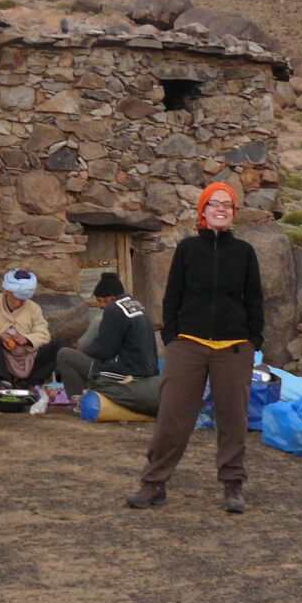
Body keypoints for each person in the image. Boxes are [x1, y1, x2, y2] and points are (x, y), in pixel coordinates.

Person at [127, 182, 264, 514]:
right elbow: (172, 296)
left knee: (232, 418)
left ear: (233, 213)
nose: (221, 209)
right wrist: (173, 336)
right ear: (202, 211)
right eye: (214, 204)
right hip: (188, 343)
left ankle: (233, 484)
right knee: (173, 415)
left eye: (227, 205)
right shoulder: (188, 249)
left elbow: (254, 300)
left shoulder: (244, 252)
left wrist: (253, 341)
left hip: (233, 347)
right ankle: (154, 484)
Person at [55, 272, 160, 406]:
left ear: (110, 298)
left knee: (65, 355)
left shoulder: (114, 309)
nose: (101, 306)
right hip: (147, 369)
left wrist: (82, 354)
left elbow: (105, 350)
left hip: (128, 370)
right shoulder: (137, 305)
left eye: (100, 301)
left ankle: (79, 402)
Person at [0, 269, 60, 386]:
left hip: (26, 356)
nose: (18, 304)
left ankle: (30, 383)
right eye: (15, 298)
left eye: (22, 300)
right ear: (7, 292)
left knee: (58, 346)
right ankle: (1, 380)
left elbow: (44, 335)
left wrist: (26, 339)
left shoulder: (33, 308)